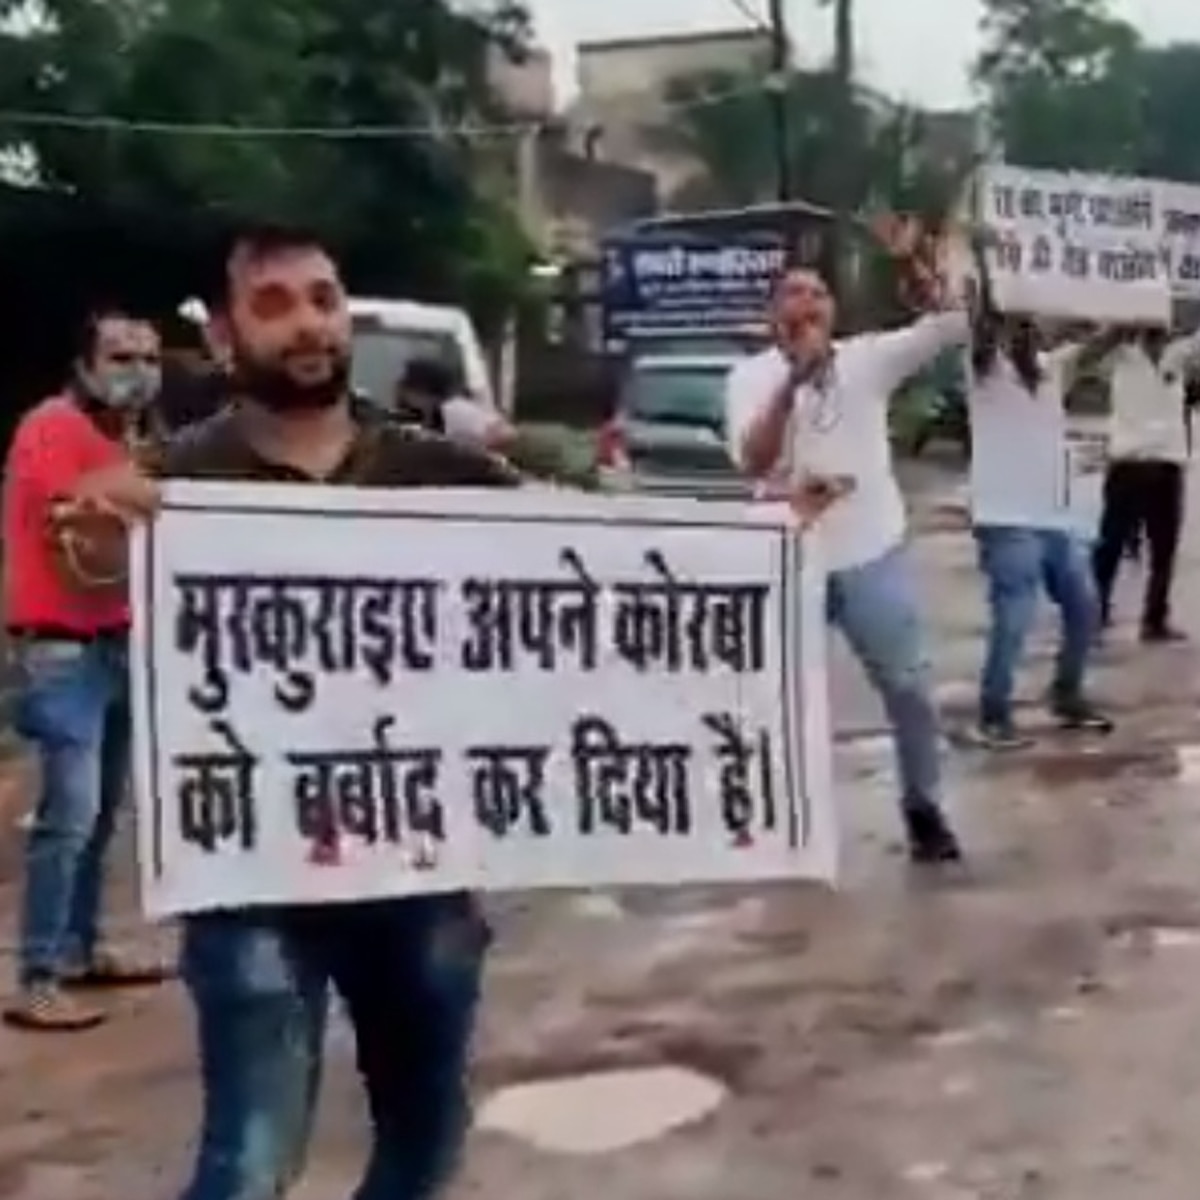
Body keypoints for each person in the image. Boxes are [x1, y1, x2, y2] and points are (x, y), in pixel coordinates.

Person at [61, 223, 518, 1200]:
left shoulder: (440, 471)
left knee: (425, 1142)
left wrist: (780, 533)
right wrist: (96, 527)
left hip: (421, 876)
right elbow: (91, 567)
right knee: (250, 1165)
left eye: (323, 297)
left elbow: (607, 557)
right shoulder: (178, 480)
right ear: (227, 337)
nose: (307, 323)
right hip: (249, 883)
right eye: (273, 306)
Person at [724, 264, 968, 865]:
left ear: (833, 311)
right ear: (773, 314)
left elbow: (952, 326)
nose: (806, 302)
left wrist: (922, 268)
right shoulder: (750, 377)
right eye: (793, 294)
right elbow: (753, 463)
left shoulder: (867, 360)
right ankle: (778, 821)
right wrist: (791, 388)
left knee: (908, 687)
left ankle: (923, 808)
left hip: (869, 549)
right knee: (776, 698)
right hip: (788, 557)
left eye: (818, 292)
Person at [0, 307, 168, 1031]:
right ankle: (35, 974)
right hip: (59, 643)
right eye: (122, 357)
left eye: (149, 359)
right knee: (67, 814)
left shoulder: (131, 440)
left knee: (101, 811)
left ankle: (79, 948)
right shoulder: (51, 429)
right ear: (85, 365)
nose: (138, 373)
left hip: (117, 638)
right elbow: (82, 525)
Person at [966, 310, 1113, 749]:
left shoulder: (1054, 368)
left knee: (1085, 606)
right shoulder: (985, 368)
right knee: (1014, 617)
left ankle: (1066, 694)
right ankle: (993, 715)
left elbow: (1100, 343)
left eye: (1030, 326)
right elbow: (978, 330)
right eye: (1017, 326)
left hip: (1054, 517)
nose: (1027, 334)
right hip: (1005, 517)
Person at [1091, 323, 1199, 641]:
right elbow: (1089, 352)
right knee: (1110, 544)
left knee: (1164, 549)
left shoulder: (1177, 357)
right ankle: (1095, 611)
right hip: (1129, 464)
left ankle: (1155, 619)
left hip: (1167, 465)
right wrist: (1118, 325)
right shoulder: (1120, 356)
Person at [395, 357, 515, 451]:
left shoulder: (455, 409)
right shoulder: (428, 416)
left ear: (422, 389)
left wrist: (479, 454)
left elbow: (505, 434)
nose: (402, 393)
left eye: (406, 387)